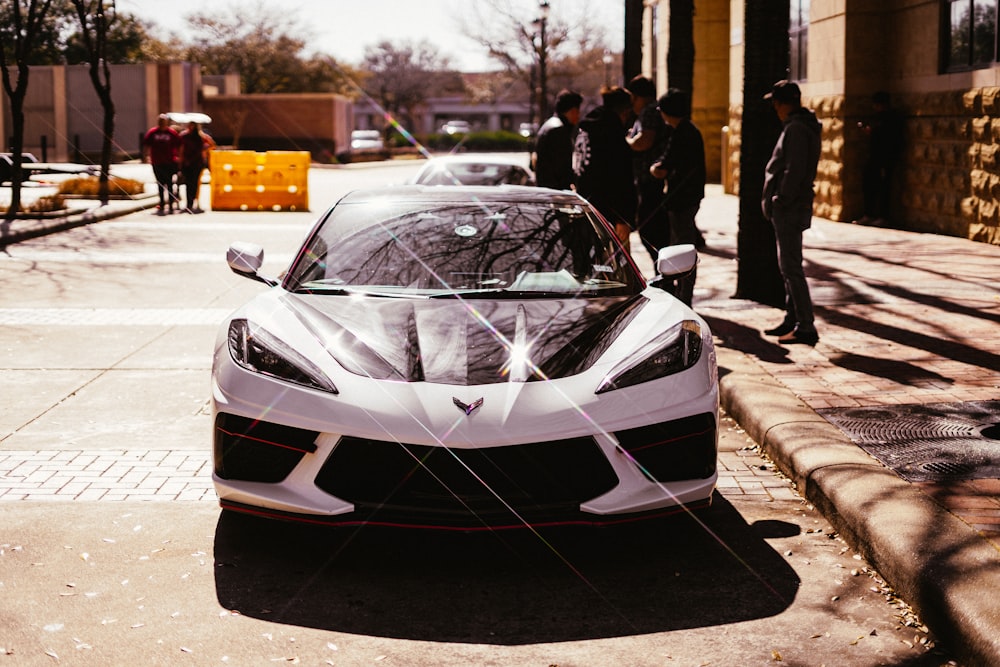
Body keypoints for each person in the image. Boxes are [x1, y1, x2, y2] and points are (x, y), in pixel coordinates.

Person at [761, 80, 822, 346]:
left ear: (783, 103)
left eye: (775, 102)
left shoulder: (796, 129)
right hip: (790, 205)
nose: (774, 108)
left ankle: (805, 325)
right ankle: (792, 318)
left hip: (790, 207)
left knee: (791, 266)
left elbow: (794, 169)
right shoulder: (798, 126)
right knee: (788, 265)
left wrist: (781, 198)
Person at [649, 88, 705, 307]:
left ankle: (684, 297)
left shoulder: (681, 133)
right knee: (683, 246)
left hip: (681, 199)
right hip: (689, 198)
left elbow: (665, 165)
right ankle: (683, 294)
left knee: (683, 249)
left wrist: (655, 169)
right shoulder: (689, 130)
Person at [572, 86, 637, 247]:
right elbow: (621, 177)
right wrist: (623, 218)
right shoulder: (612, 135)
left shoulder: (585, 129)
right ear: (624, 111)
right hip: (609, 214)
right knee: (615, 264)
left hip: (585, 207)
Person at [625, 76, 671, 264]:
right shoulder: (648, 112)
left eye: (632, 98)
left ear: (639, 97)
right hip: (648, 180)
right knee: (650, 228)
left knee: (648, 229)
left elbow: (643, 141)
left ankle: (664, 272)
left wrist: (627, 141)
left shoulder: (649, 111)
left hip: (650, 180)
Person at [853, 91, 903, 226]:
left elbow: (886, 135)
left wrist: (871, 131)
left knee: (884, 186)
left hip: (886, 156)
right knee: (869, 184)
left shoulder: (891, 119)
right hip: (875, 155)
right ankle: (869, 213)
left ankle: (882, 215)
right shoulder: (879, 118)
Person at [533, 89, 583, 190]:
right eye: (577, 111)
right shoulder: (559, 131)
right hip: (555, 193)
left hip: (546, 191)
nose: (578, 116)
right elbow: (563, 171)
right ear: (572, 110)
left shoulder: (549, 125)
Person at [142, 114, 181, 215]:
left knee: (169, 184)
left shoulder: (171, 133)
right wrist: (146, 156)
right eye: (160, 121)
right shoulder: (153, 132)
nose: (162, 123)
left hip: (169, 162)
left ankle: (171, 204)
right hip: (157, 162)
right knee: (160, 184)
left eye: (163, 121)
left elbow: (179, 145)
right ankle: (162, 203)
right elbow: (146, 144)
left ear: (166, 122)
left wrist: (179, 157)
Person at [178, 121, 216, 213]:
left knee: (194, 183)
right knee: (187, 183)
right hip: (186, 162)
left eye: (193, 126)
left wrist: (205, 149)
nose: (191, 127)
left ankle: (193, 200)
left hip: (197, 162)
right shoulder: (184, 136)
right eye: (189, 125)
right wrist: (180, 161)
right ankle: (189, 203)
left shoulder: (201, 137)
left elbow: (212, 145)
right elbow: (180, 149)